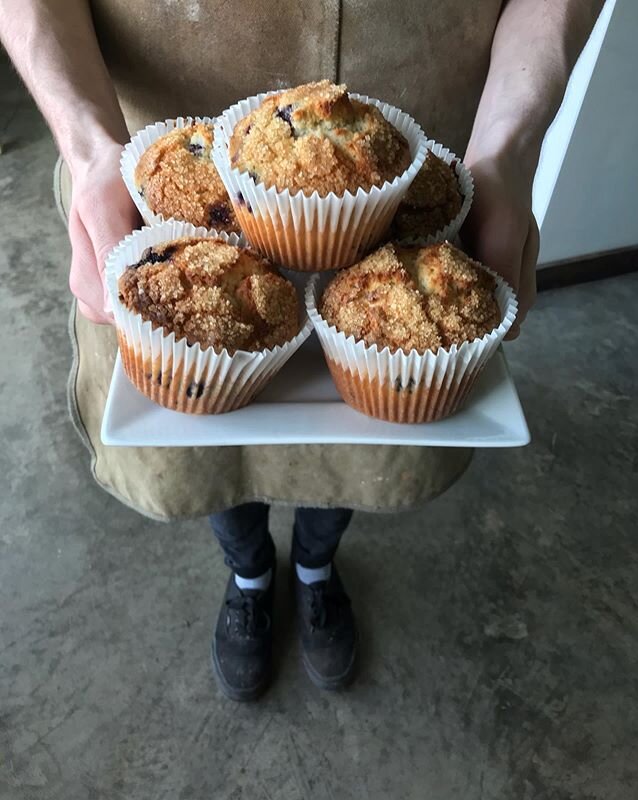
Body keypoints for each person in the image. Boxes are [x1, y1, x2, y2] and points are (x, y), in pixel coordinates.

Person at [1, 0, 603, 701]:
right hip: (155, 194)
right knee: (201, 431)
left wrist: (509, 143)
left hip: (410, 173)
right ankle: (249, 572)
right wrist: (88, 145)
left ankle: (316, 566)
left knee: (362, 436)